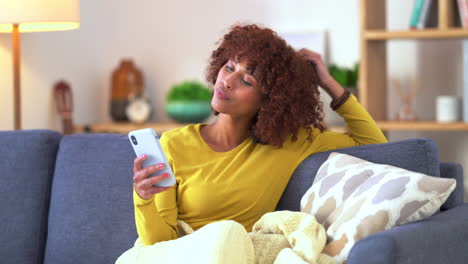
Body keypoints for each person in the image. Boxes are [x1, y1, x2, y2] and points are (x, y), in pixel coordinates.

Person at [131, 23, 387, 247]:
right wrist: (143, 198)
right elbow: (158, 243)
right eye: (229, 66)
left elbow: (375, 145)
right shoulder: (173, 144)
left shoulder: (289, 143)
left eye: (247, 81)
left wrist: (329, 84)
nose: (228, 81)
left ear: (270, 101)